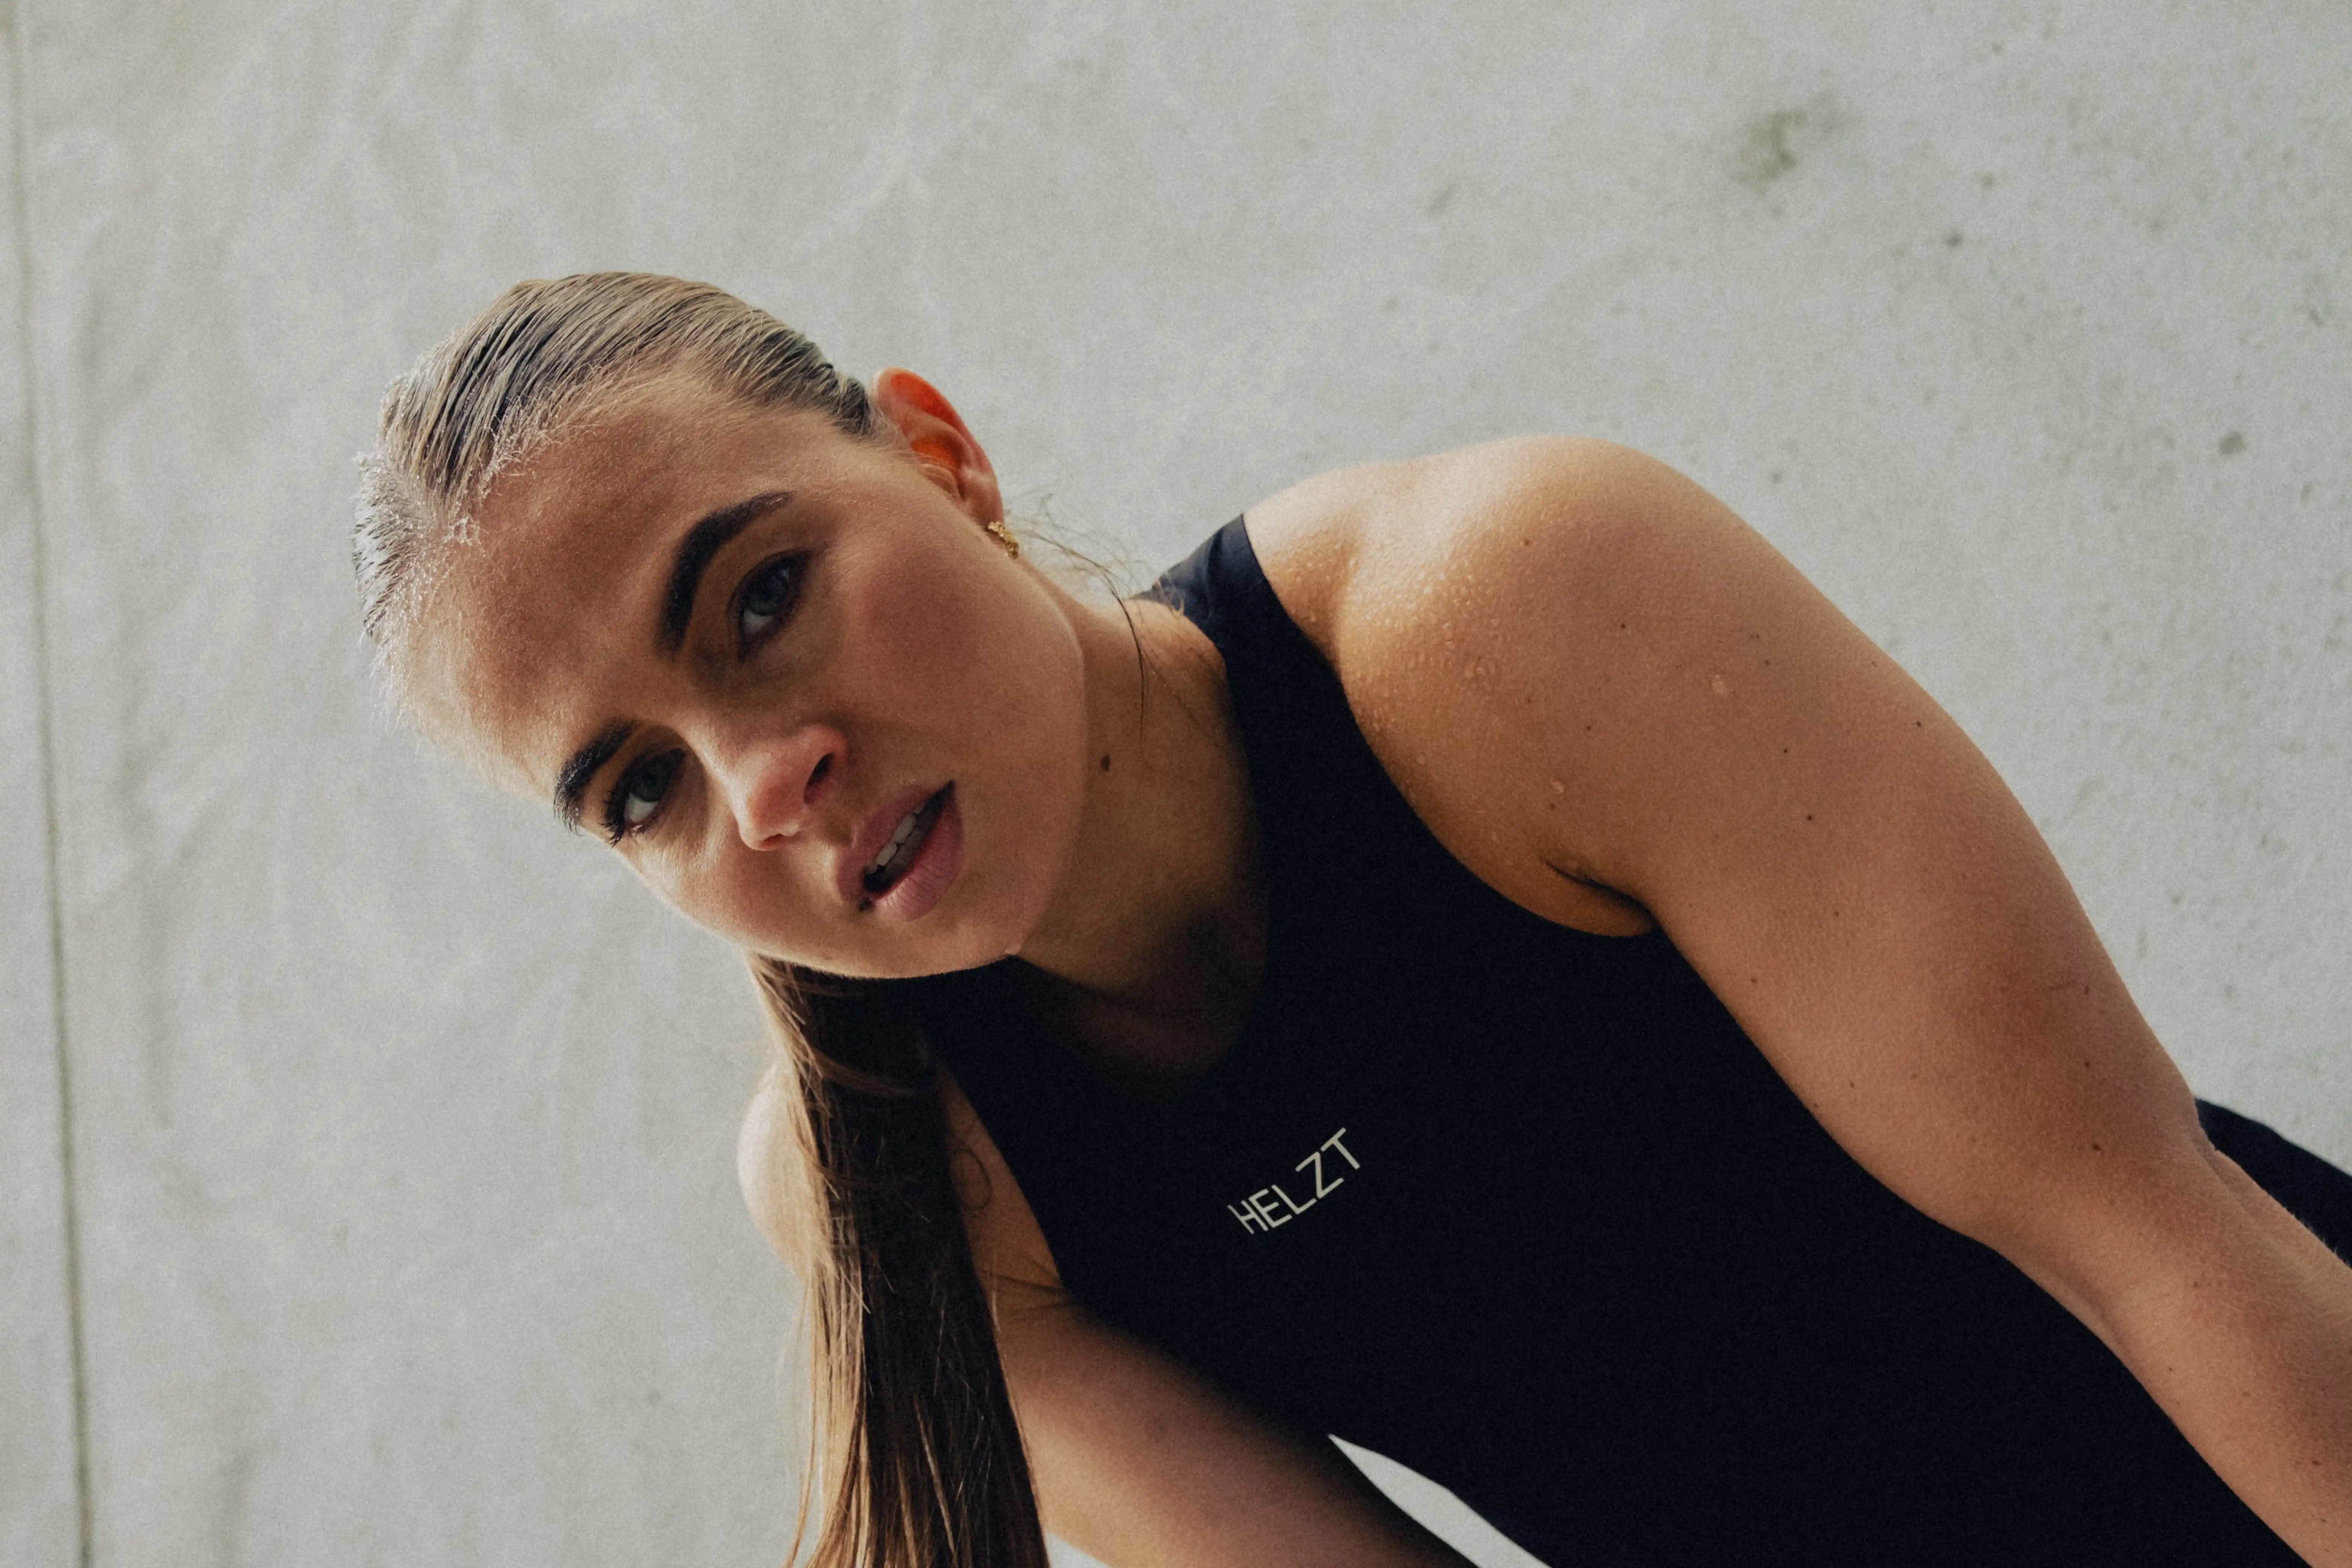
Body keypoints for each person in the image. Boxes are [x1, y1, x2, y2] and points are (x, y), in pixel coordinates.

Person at [354, 271, 2352, 1568]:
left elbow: (2154, 1248)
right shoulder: (904, 1181)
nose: (761, 778)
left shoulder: (1506, 612)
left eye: (763, 593)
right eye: (640, 789)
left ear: (940, 458)